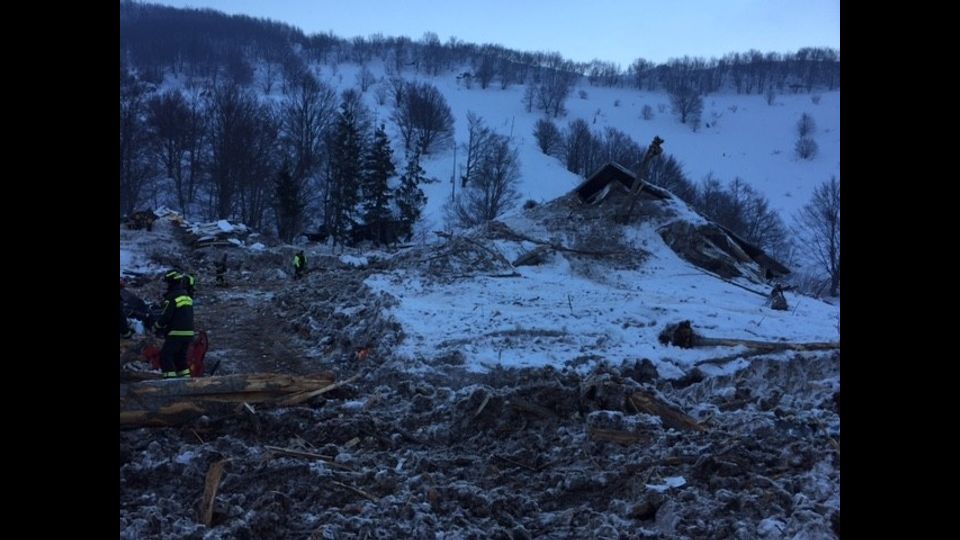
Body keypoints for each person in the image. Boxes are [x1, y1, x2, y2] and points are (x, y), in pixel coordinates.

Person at [152, 270, 195, 378]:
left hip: (176, 333)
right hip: (189, 334)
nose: (166, 285)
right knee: (180, 358)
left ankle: (169, 383)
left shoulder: (172, 297)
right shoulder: (186, 296)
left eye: (167, 283)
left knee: (165, 356)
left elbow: (166, 316)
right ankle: (186, 383)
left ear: (171, 282)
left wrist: (155, 327)